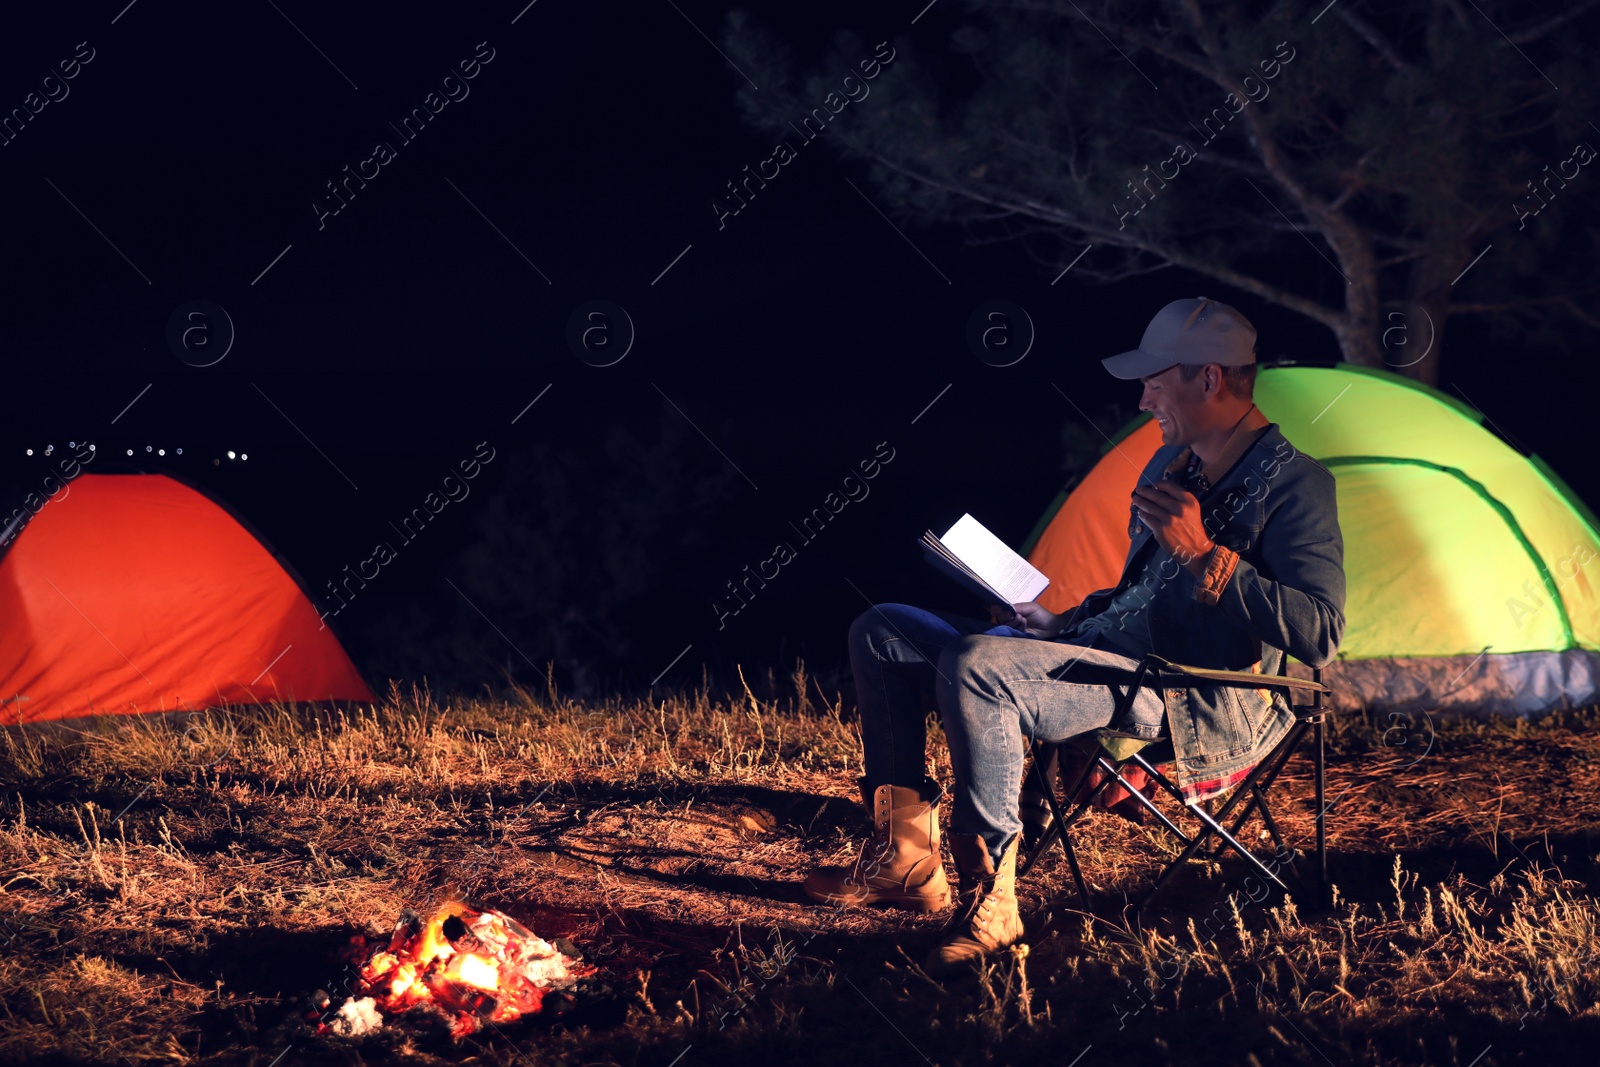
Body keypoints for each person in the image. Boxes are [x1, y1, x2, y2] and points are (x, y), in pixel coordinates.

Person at [802, 296, 1346, 977]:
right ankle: (905, 859)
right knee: (883, 629)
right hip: (1106, 656)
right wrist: (1062, 623)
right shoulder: (1166, 467)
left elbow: (1321, 632)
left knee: (978, 664)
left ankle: (993, 904)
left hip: (1185, 688)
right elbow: (1139, 599)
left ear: (1208, 379)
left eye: (1156, 378)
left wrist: (1205, 554)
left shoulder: (1295, 485)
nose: (1143, 396)